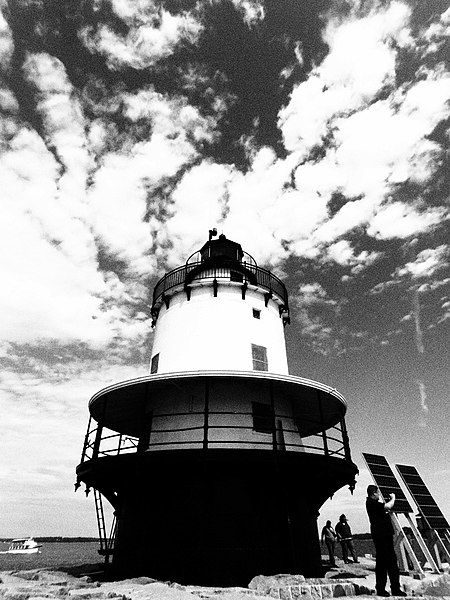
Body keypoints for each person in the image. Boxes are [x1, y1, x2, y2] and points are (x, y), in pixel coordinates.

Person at [366, 485, 406, 597]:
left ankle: (395, 588)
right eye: (377, 493)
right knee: (382, 564)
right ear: (373, 493)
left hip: (386, 536)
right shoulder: (370, 503)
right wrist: (393, 498)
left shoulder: (375, 504)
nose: (379, 495)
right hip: (381, 536)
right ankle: (381, 589)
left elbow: (384, 508)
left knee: (393, 563)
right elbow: (387, 506)